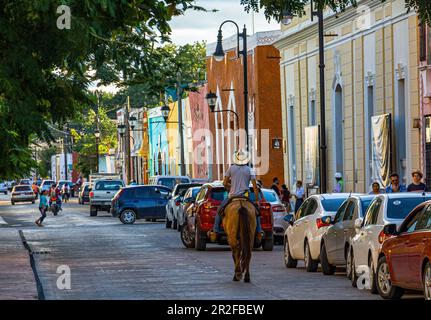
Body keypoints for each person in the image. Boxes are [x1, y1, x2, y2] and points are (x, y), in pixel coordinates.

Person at [210, 149, 263, 241]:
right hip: (245, 196)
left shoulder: (231, 168)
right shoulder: (250, 170)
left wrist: (231, 186)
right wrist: (257, 200)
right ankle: (258, 232)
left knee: (219, 211)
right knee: (256, 212)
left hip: (232, 196)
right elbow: (255, 187)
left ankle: (215, 231)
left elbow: (224, 183)